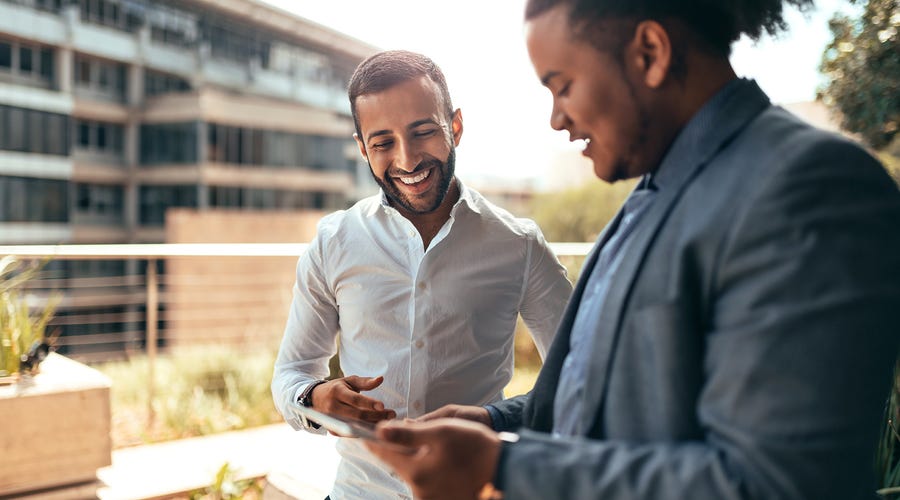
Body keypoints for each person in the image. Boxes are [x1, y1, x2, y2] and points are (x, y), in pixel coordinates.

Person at [364, 1, 900, 499]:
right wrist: (493, 423)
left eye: (563, 85)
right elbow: (605, 398)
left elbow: (776, 481)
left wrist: (501, 468)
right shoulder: (650, 194)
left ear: (650, 53)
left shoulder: (811, 187)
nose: (556, 118)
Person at [271, 49, 573, 499]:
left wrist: (495, 420)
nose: (407, 159)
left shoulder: (520, 244)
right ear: (361, 148)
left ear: (455, 126)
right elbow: (291, 373)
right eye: (383, 142)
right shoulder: (333, 242)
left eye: (422, 132)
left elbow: (580, 377)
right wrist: (314, 398)